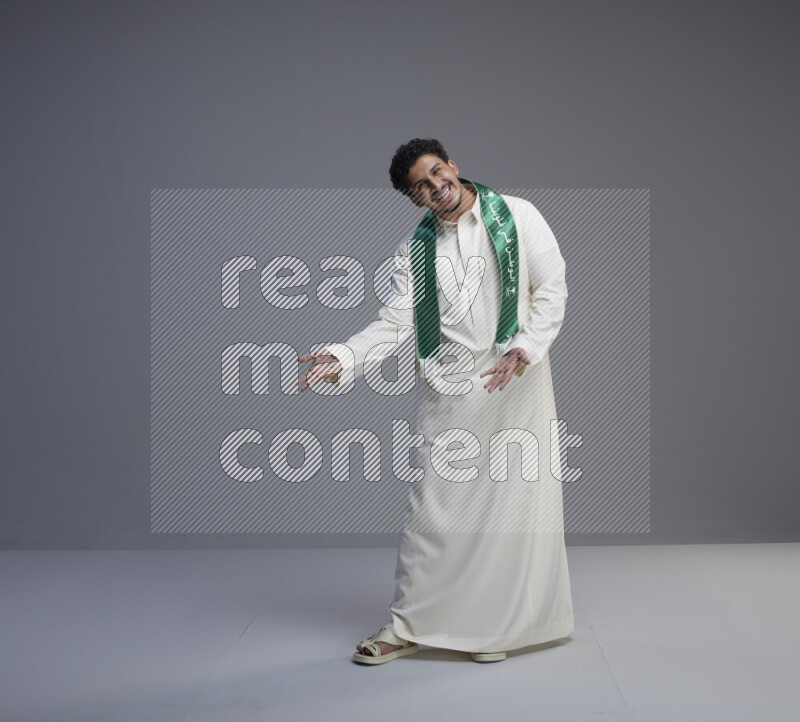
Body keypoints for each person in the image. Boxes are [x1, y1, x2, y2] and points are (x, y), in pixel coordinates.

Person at [297, 138, 574, 664]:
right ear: (415, 199)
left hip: (514, 378)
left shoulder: (517, 215)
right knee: (432, 512)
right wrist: (345, 356)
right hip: (447, 387)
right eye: (420, 187)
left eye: (436, 172)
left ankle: (493, 631)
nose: (435, 187)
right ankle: (406, 625)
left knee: (509, 510)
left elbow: (551, 287)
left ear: (453, 164)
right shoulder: (414, 249)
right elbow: (397, 320)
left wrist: (525, 348)